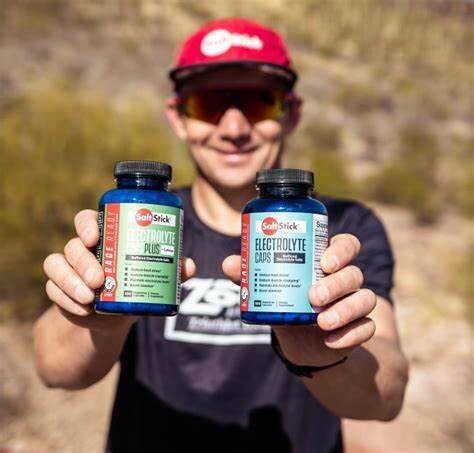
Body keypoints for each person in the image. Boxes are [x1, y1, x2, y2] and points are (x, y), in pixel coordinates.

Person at [34, 18, 409, 453]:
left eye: (258, 102)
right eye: (209, 104)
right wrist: (99, 316)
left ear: (291, 114)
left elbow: (387, 395)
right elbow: (53, 370)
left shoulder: (343, 225)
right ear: (178, 117)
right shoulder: (139, 222)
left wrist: (321, 354)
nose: (233, 129)